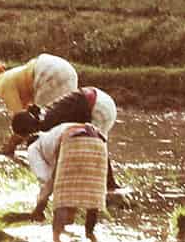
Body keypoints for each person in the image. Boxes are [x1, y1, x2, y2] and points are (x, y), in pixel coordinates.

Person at [12, 82, 119, 213]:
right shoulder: (42, 116)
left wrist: (42, 202)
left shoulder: (46, 127)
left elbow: (56, 166)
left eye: (24, 137)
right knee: (94, 143)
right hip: (101, 99)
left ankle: (109, 187)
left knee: (95, 145)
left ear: (28, 131)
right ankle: (110, 185)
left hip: (98, 108)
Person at [0, 54, 79, 155]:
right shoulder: (9, 77)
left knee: (47, 121)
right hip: (67, 70)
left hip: (48, 73)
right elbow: (28, 117)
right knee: (62, 120)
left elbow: (21, 122)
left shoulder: (1, 85)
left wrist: (11, 145)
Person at [46, 121, 111, 242]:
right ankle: (90, 234)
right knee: (93, 194)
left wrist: (48, 193)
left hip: (73, 143)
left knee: (62, 194)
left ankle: (56, 235)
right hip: (99, 145)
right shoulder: (58, 128)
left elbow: (53, 173)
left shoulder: (46, 141)